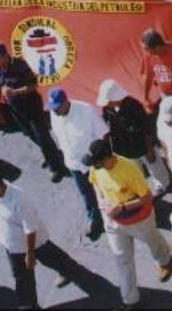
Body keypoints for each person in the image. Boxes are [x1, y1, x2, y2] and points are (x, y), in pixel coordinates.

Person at [0, 167, 97, 310]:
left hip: (31, 243)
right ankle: (30, 304)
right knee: (23, 275)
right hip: (12, 245)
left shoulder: (20, 200)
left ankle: (72, 273)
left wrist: (30, 253)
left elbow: (30, 229)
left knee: (45, 260)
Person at [83, 136, 172, 308]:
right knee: (122, 260)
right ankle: (129, 300)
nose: (94, 165)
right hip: (112, 221)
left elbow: (146, 197)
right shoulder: (97, 167)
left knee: (152, 240)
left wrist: (122, 208)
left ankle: (164, 260)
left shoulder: (128, 168)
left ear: (107, 158)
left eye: (96, 162)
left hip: (139, 219)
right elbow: (94, 182)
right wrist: (101, 199)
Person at [0, 42, 66, 182]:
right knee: (30, 134)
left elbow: (34, 84)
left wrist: (15, 92)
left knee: (41, 135)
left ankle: (56, 167)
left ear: (5, 55)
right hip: (15, 108)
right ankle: (51, 154)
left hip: (31, 104)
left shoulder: (20, 65)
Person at [47, 88, 107, 241]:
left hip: (93, 163)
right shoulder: (54, 114)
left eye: (58, 107)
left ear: (66, 102)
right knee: (86, 194)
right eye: (53, 108)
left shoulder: (85, 110)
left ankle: (114, 217)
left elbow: (103, 134)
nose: (55, 111)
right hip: (73, 164)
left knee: (105, 191)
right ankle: (94, 220)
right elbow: (57, 136)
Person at [96, 79, 170, 193]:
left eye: (109, 101)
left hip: (143, 147)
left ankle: (165, 185)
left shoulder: (134, 106)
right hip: (126, 151)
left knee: (156, 169)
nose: (107, 104)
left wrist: (150, 150)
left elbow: (147, 129)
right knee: (136, 173)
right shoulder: (107, 108)